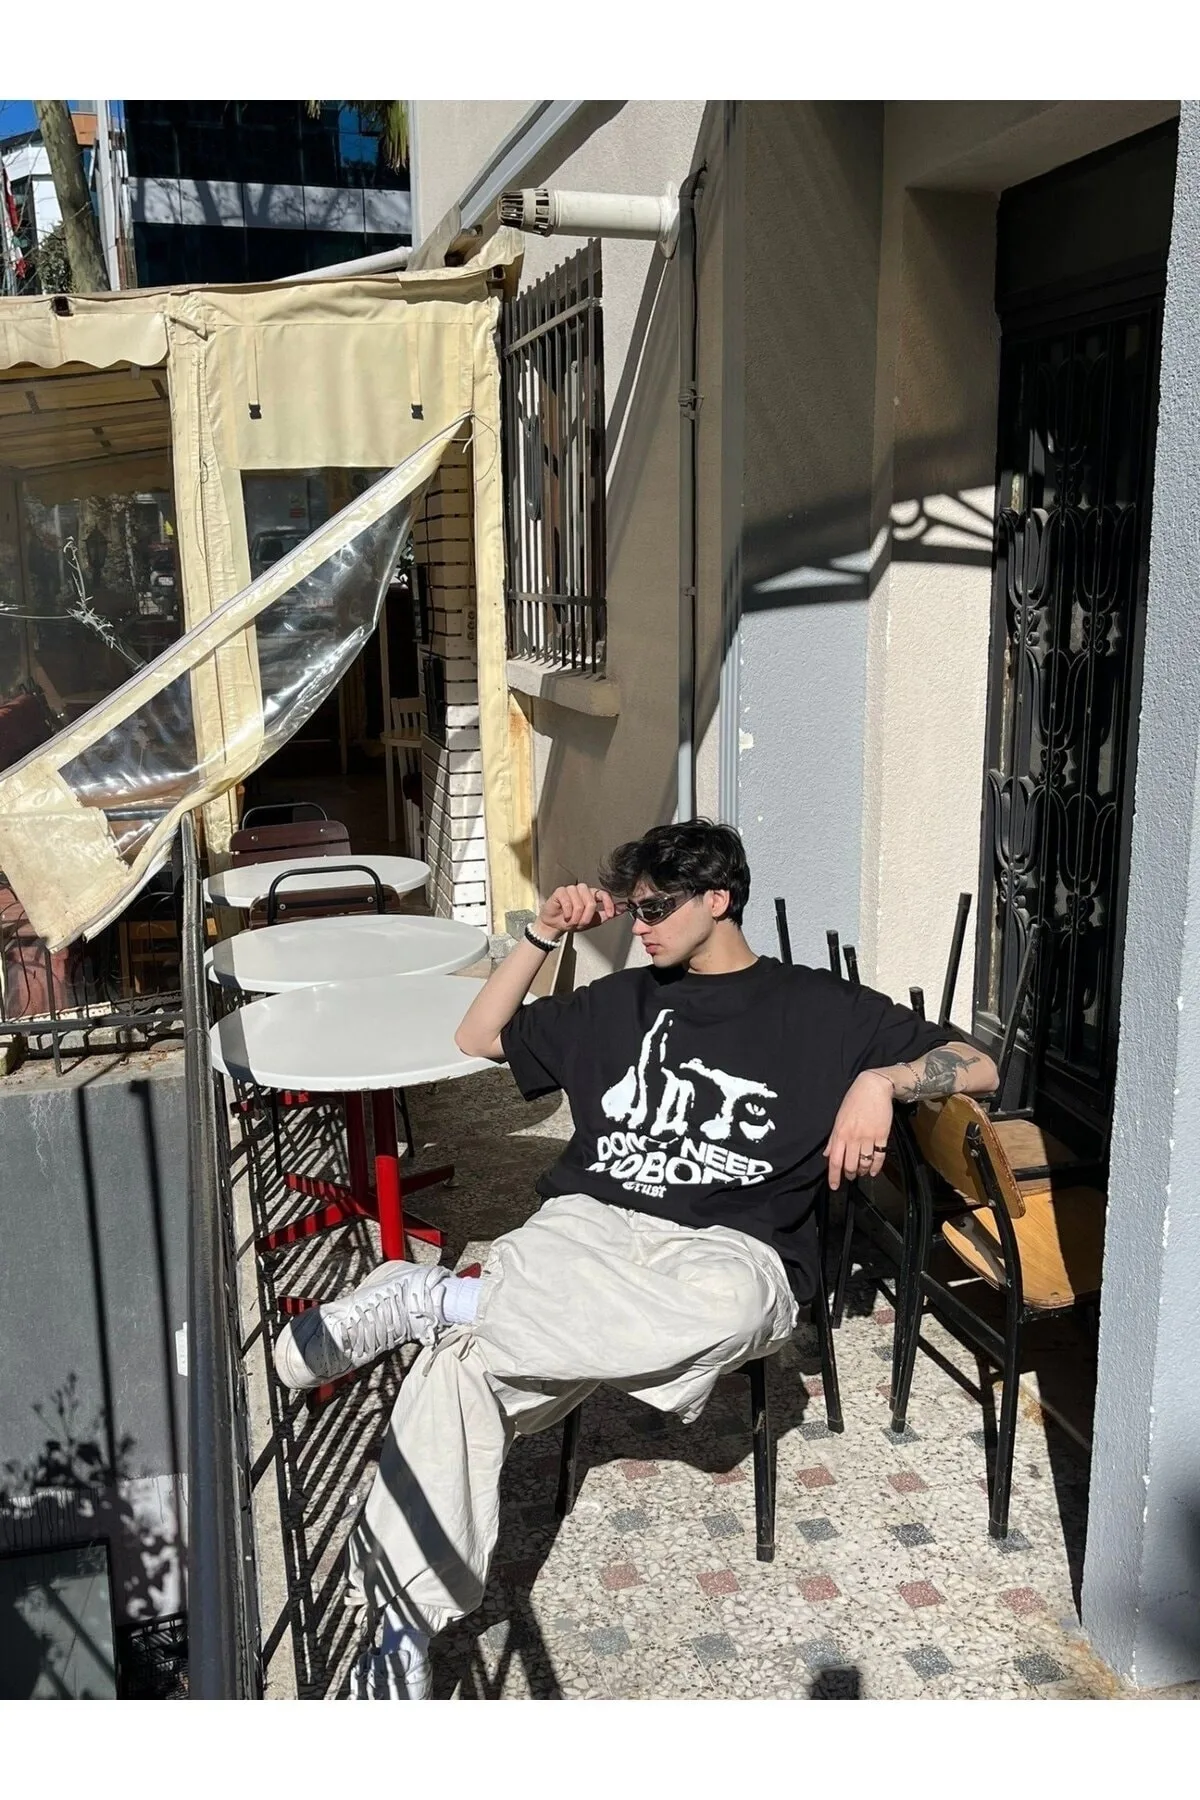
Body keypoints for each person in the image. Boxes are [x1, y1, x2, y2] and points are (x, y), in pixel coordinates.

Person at [273, 819, 999, 1699]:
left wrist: (882, 1081)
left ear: (718, 899)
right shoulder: (621, 1002)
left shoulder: (817, 1008)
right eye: (633, 909)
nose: (640, 926)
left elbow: (981, 1064)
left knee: (728, 1311)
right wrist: (543, 935)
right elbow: (478, 1036)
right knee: (455, 1371)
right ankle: (396, 1632)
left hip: (730, 1249)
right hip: (589, 1226)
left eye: (656, 908)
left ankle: (444, 1300)